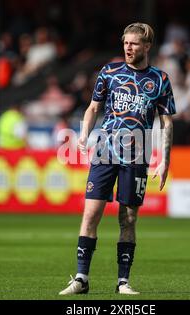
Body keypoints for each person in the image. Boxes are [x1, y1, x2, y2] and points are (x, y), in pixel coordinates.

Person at [59, 22, 176, 295]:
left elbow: (166, 123)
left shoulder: (160, 79)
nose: (128, 47)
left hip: (138, 153)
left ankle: (123, 282)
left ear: (147, 46)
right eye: (126, 43)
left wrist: (164, 159)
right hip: (104, 149)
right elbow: (93, 107)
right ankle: (81, 279)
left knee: (129, 219)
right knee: (91, 214)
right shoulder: (109, 72)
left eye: (134, 43)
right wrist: (83, 134)